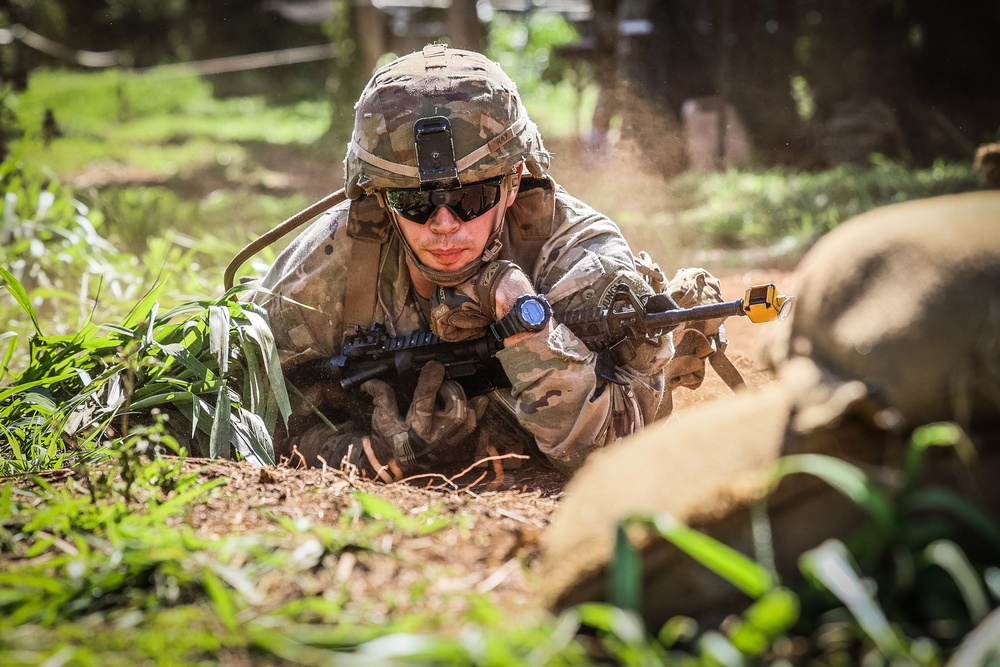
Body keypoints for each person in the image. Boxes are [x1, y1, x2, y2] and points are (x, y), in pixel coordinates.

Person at [252, 44, 687, 481]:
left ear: (514, 183)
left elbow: (619, 457)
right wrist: (375, 454)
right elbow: (249, 417)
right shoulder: (335, 260)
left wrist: (524, 321)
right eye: (414, 200)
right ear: (382, 198)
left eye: (469, 198)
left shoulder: (581, 261)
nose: (444, 224)